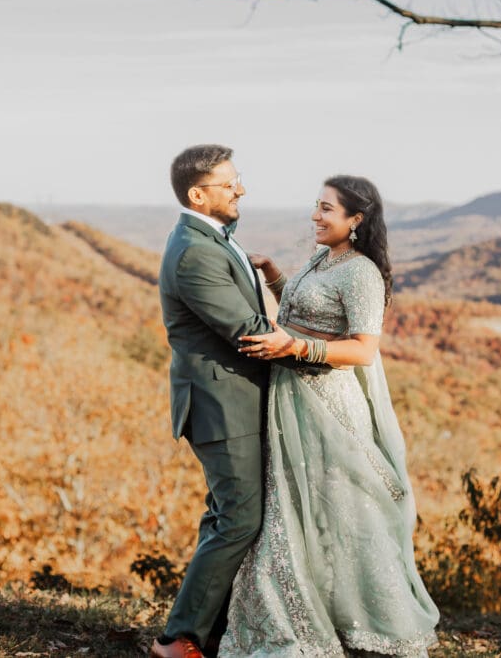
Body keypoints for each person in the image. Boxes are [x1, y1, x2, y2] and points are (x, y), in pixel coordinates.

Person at [225, 175, 440, 657]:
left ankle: (371, 618)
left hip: (330, 404)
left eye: (327, 209)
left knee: (346, 506)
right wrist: (276, 277)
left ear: (356, 220)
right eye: (315, 206)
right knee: (302, 509)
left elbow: (363, 350)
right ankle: (308, 610)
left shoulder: (361, 271)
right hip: (293, 398)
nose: (316, 216)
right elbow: (307, 314)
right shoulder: (324, 258)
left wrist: (294, 346)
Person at [152, 144, 298, 658]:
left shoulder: (211, 239)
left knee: (226, 515)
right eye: (229, 182)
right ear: (198, 193)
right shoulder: (194, 252)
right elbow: (249, 333)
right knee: (238, 519)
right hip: (221, 404)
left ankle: (209, 630)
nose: (241, 189)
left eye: (239, 179)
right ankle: (178, 639)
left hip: (234, 400)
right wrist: (326, 353)